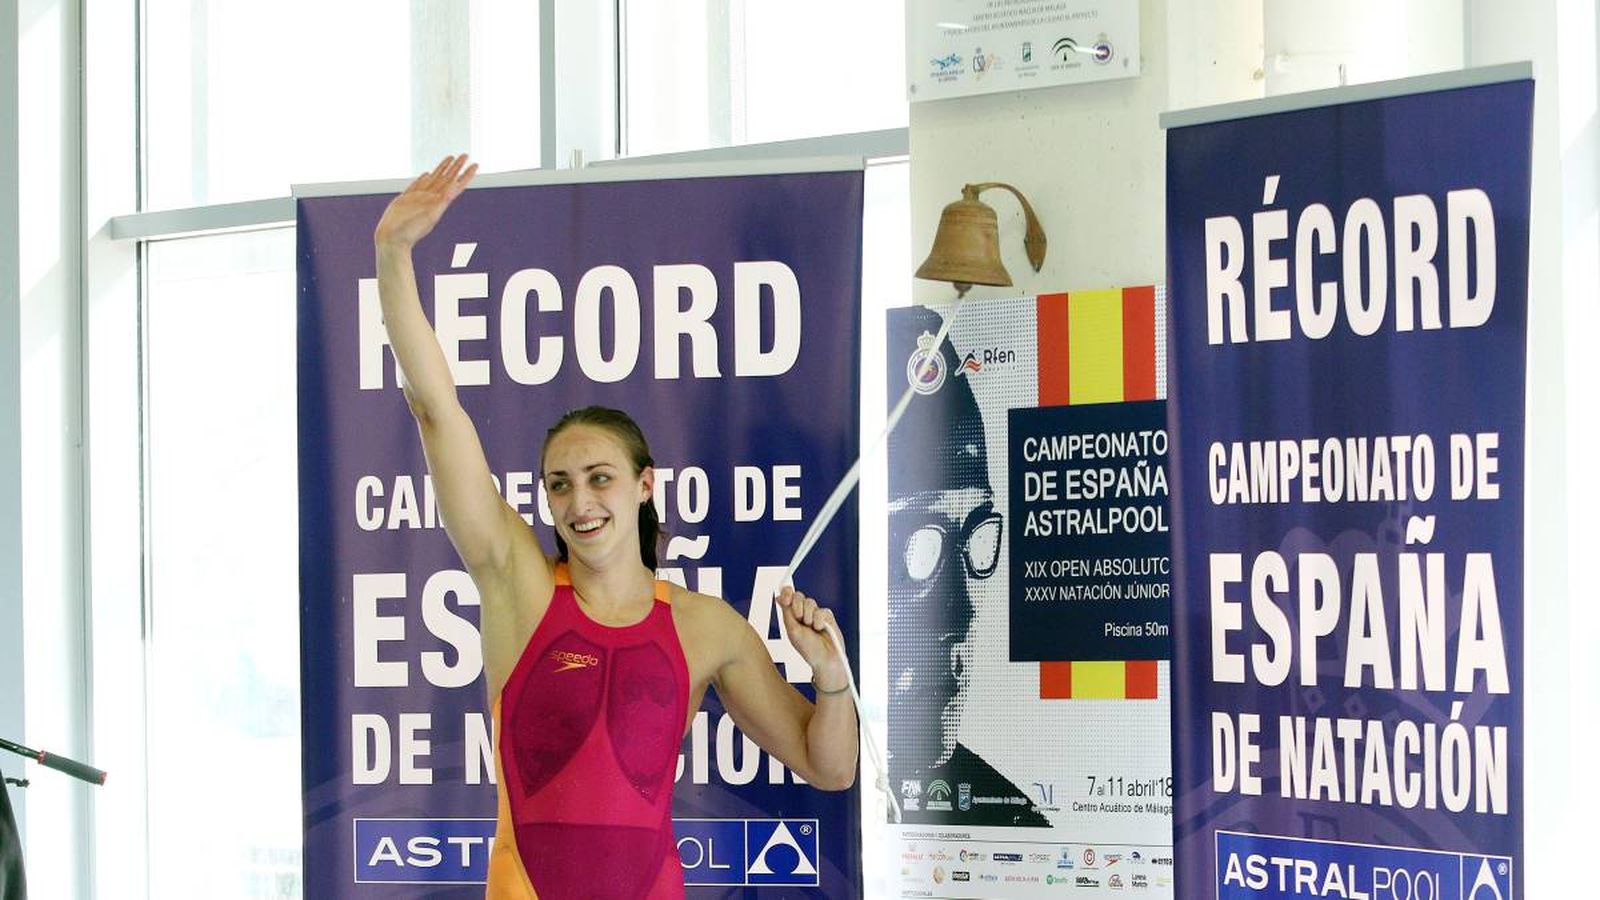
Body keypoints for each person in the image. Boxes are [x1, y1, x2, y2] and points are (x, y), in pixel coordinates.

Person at [373, 155, 858, 899]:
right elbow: (437, 411)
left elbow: (829, 766)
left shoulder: (706, 628)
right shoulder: (518, 587)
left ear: (644, 485)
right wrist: (392, 254)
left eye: (600, 478)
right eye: (560, 484)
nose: (580, 502)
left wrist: (830, 678)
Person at [885, 305, 1046, 827]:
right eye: (919, 545)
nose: (961, 612)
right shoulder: (802, 770)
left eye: (978, 536)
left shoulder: (1016, 819)